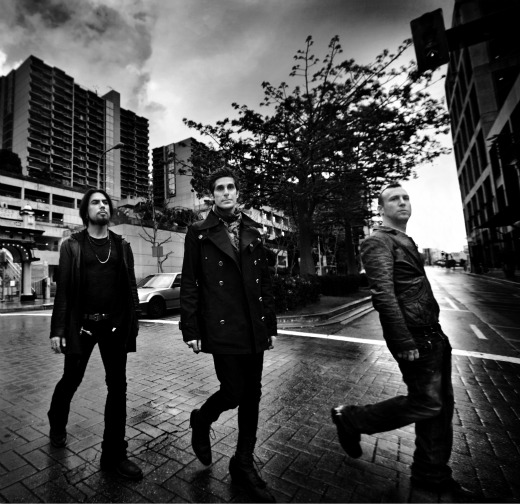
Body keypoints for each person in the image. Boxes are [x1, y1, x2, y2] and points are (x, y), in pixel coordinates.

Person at [331, 183, 467, 497]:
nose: (403, 202)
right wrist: (403, 340)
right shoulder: (378, 241)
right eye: (394, 199)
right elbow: (384, 295)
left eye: (406, 197)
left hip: (433, 333)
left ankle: (431, 474)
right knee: (428, 402)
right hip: (415, 337)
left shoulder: (404, 239)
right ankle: (352, 418)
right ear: (381, 209)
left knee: (440, 407)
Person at [180, 168, 277, 503]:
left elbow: (264, 281)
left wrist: (269, 325)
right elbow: (190, 282)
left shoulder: (253, 229)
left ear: (237, 192)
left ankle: (243, 462)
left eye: (230, 187)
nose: (225, 192)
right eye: (219, 188)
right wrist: (190, 328)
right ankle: (202, 419)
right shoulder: (199, 232)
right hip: (221, 324)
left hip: (252, 324)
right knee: (234, 391)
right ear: (213, 195)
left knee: (253, 394)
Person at [48, 189, 142, 480]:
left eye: (105, 202)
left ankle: (114, 453)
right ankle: (56, 420)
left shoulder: (121, 245)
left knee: (118, 386)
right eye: (95, 202)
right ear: (85, 211)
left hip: (114, 326)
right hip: (82, 327)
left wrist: (133, 323)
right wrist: (58, 330)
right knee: (71, 379)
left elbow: (130, 287)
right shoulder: (72, 245)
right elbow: (64, 290)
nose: (102, 206)